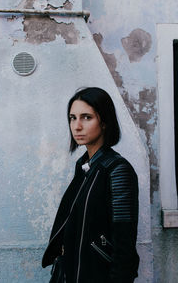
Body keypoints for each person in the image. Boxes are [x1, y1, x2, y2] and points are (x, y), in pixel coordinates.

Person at [42, 87, 140, 283]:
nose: (77, 126)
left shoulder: (116, 169)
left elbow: (124, 242)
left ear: (104, 122)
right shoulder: (85, 167)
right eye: (72, 117)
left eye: (86, 117)